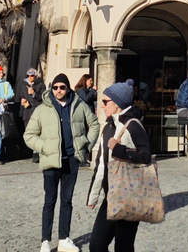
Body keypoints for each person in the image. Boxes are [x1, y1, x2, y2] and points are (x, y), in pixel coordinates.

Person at [24, 73, 100, 252]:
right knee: (49, 201)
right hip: (51, 162)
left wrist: (86, 145)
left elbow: (94, 125)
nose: (59, 90)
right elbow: (29, 135)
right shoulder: (43, 109)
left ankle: (64, 238)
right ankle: (45, 241)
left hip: (71, 160)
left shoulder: (79, 105)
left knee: (67, 201)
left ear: (68, 88)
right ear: (52, 89)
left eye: (62, 87)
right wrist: (44, 147)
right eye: (56, 87)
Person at [87, 79, 152, 252]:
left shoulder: (133, 126)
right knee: (96, 245)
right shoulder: (108, 126)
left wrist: (119, 150)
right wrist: (93, 196)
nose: (101, 106)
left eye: (105, 102)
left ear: (117, 104)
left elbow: (146, 157)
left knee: (123, 247)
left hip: (131, 196)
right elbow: (101, 164)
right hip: (111, 197)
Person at [18, 68, 46, 163]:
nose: (30, 77)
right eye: (28, 76)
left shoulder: (41, 85)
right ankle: (32, 150)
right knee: (29, 132)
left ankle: (36, 153)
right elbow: (21, 95)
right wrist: (23, 100)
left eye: (32, 76)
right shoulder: (24, 85)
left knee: (37, 132)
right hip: (27, 112)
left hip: (37, 111)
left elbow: (43, 97)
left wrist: (34, 94)